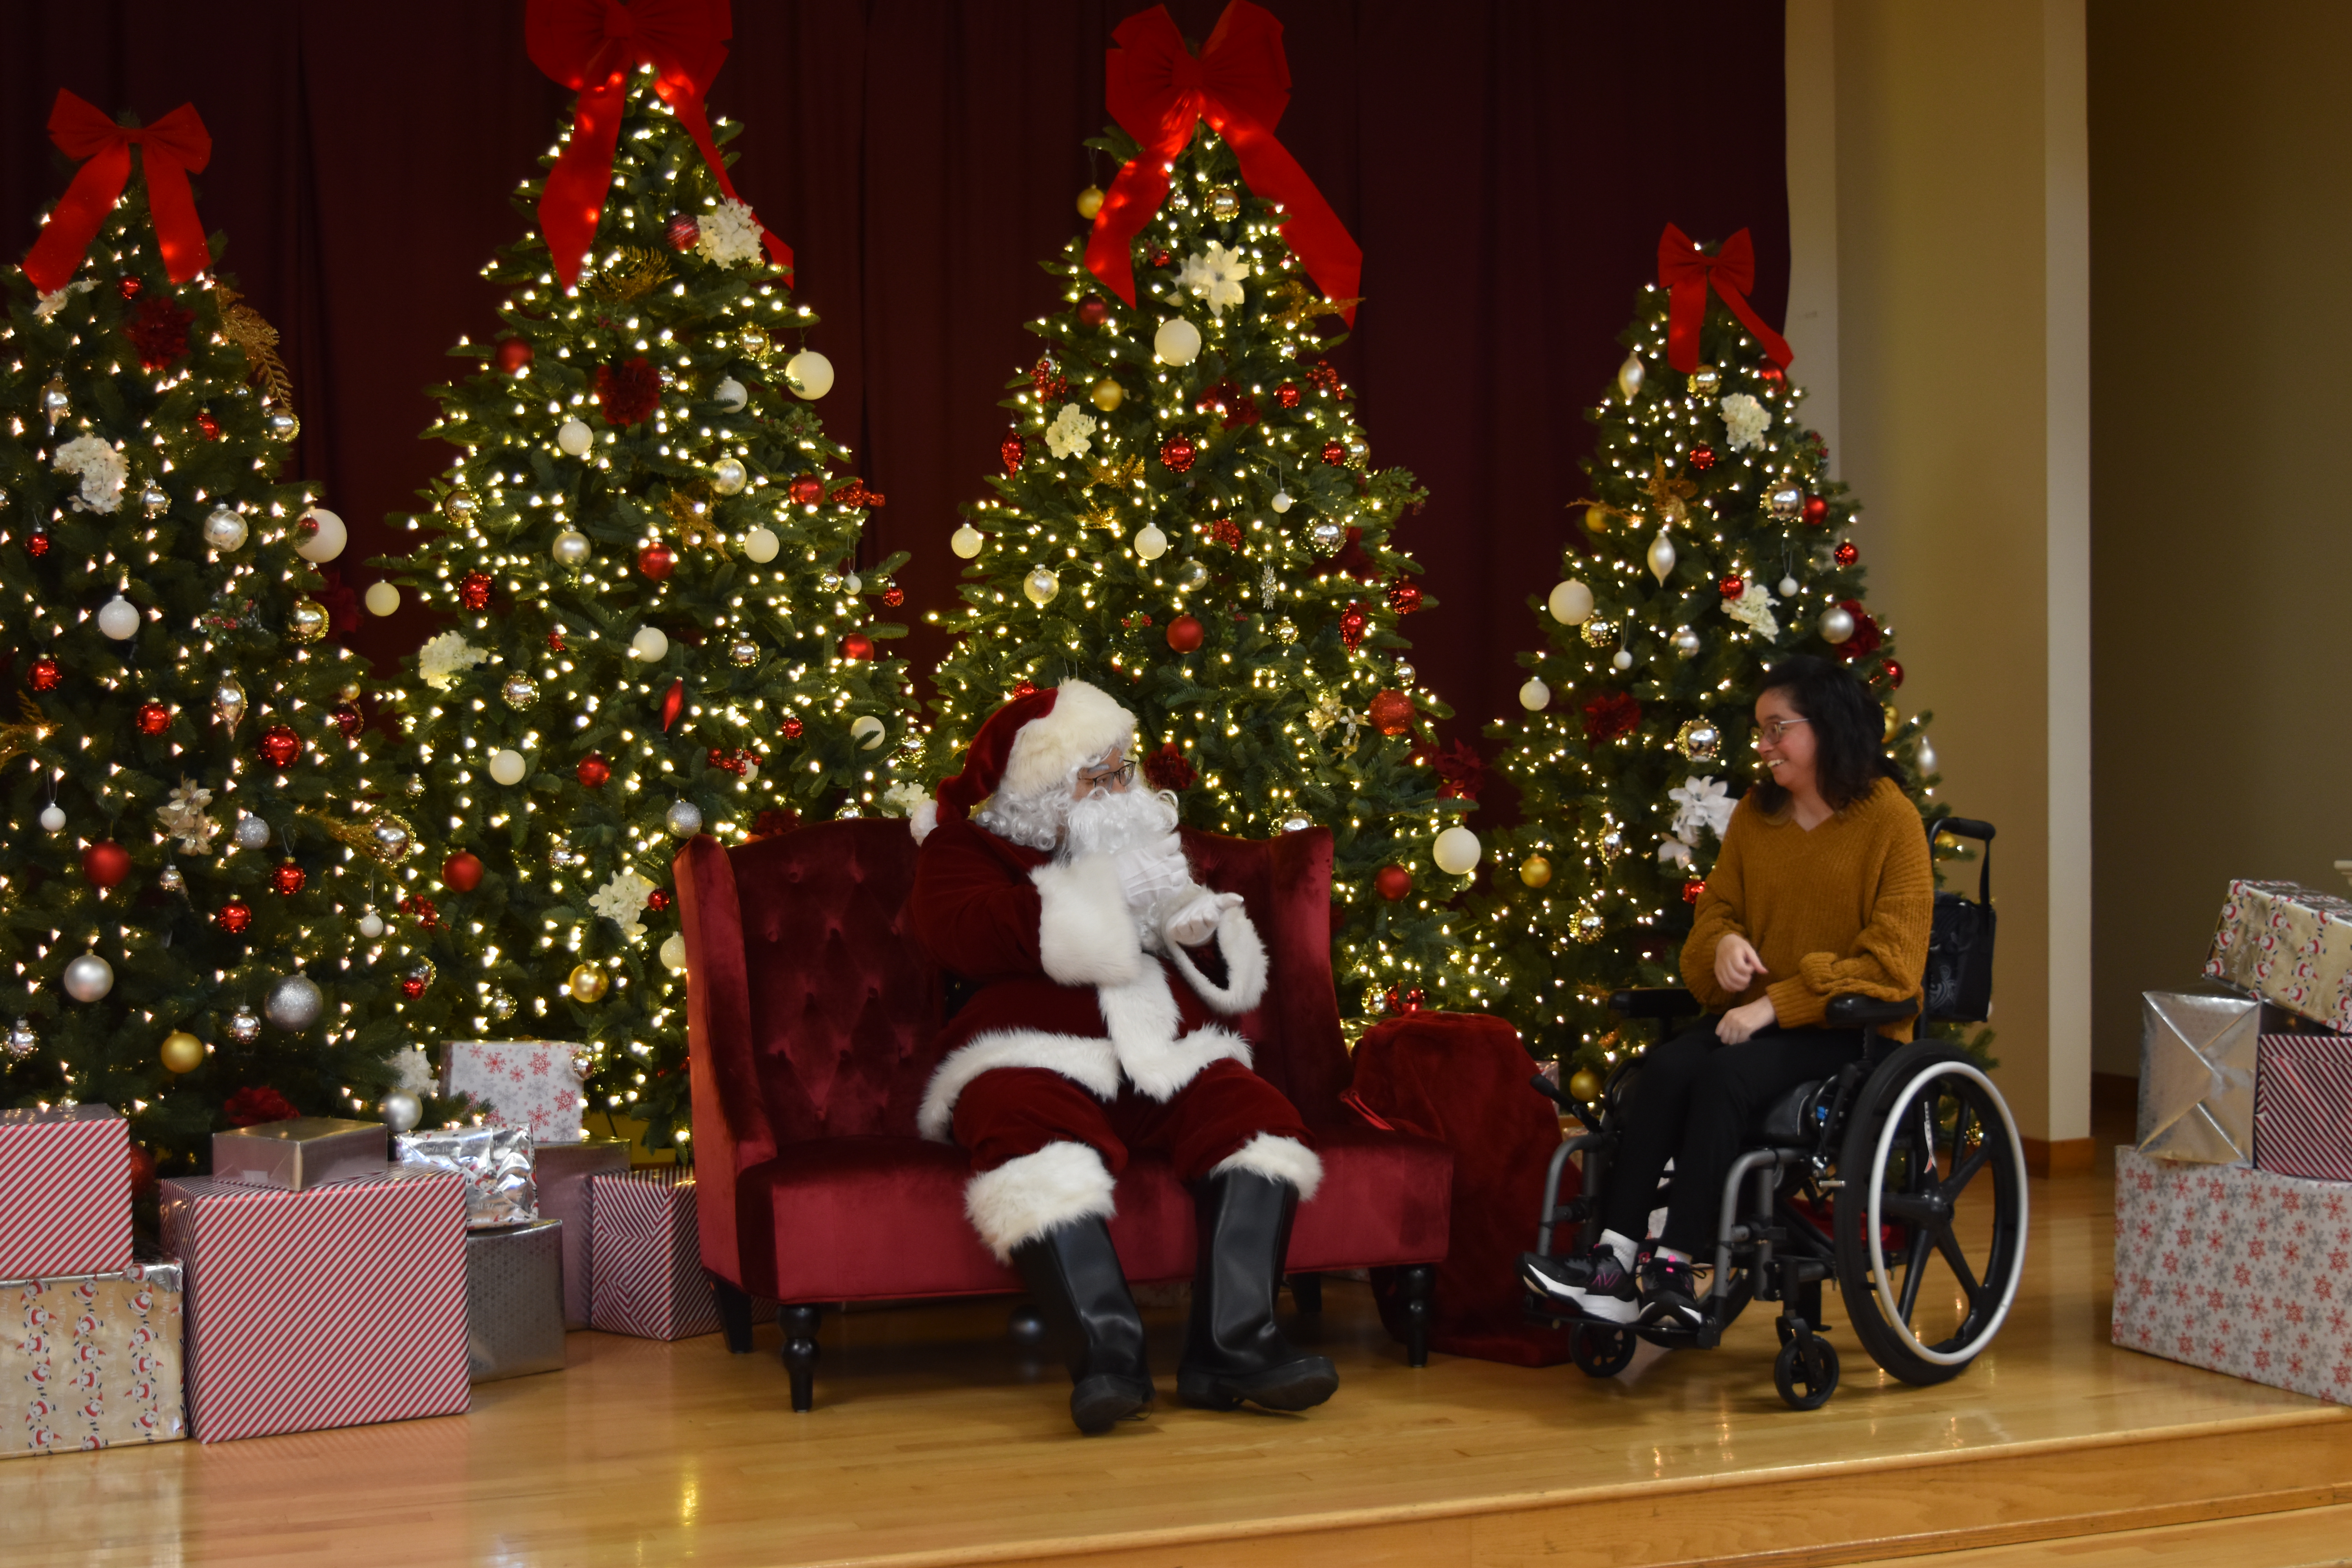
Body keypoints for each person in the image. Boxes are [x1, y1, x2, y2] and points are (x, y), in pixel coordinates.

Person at [905, 679, 1337, 1434]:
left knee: (1255, 1116)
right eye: (1093, 776)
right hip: (1027, 1055)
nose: (1115, 790)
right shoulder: (962, 849)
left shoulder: (1145, 849)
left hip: (1158, 1050)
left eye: (1121, 771)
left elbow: (1227, 981)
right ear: (1040, 789)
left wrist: (1201, 932)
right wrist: (1103, 891)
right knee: (1020, 1128)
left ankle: (1232, 1349)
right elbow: (967, 933)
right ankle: (1109, 1357)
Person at [1520, 655, 1932, 1329]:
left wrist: (1777, 1003)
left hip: (1845, 1033)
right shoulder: (1756, 817)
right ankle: (1615, 1259)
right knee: (1666, 1068)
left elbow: (1894, 966)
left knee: (1725, 1076)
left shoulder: (1892, 821)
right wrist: (1725, 948)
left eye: (1778, 729)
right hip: (1751, 1020)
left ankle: (1677, 1264)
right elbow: (1716, 914)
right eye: (1761, 731)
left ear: (1826, 727)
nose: (1764, 746)